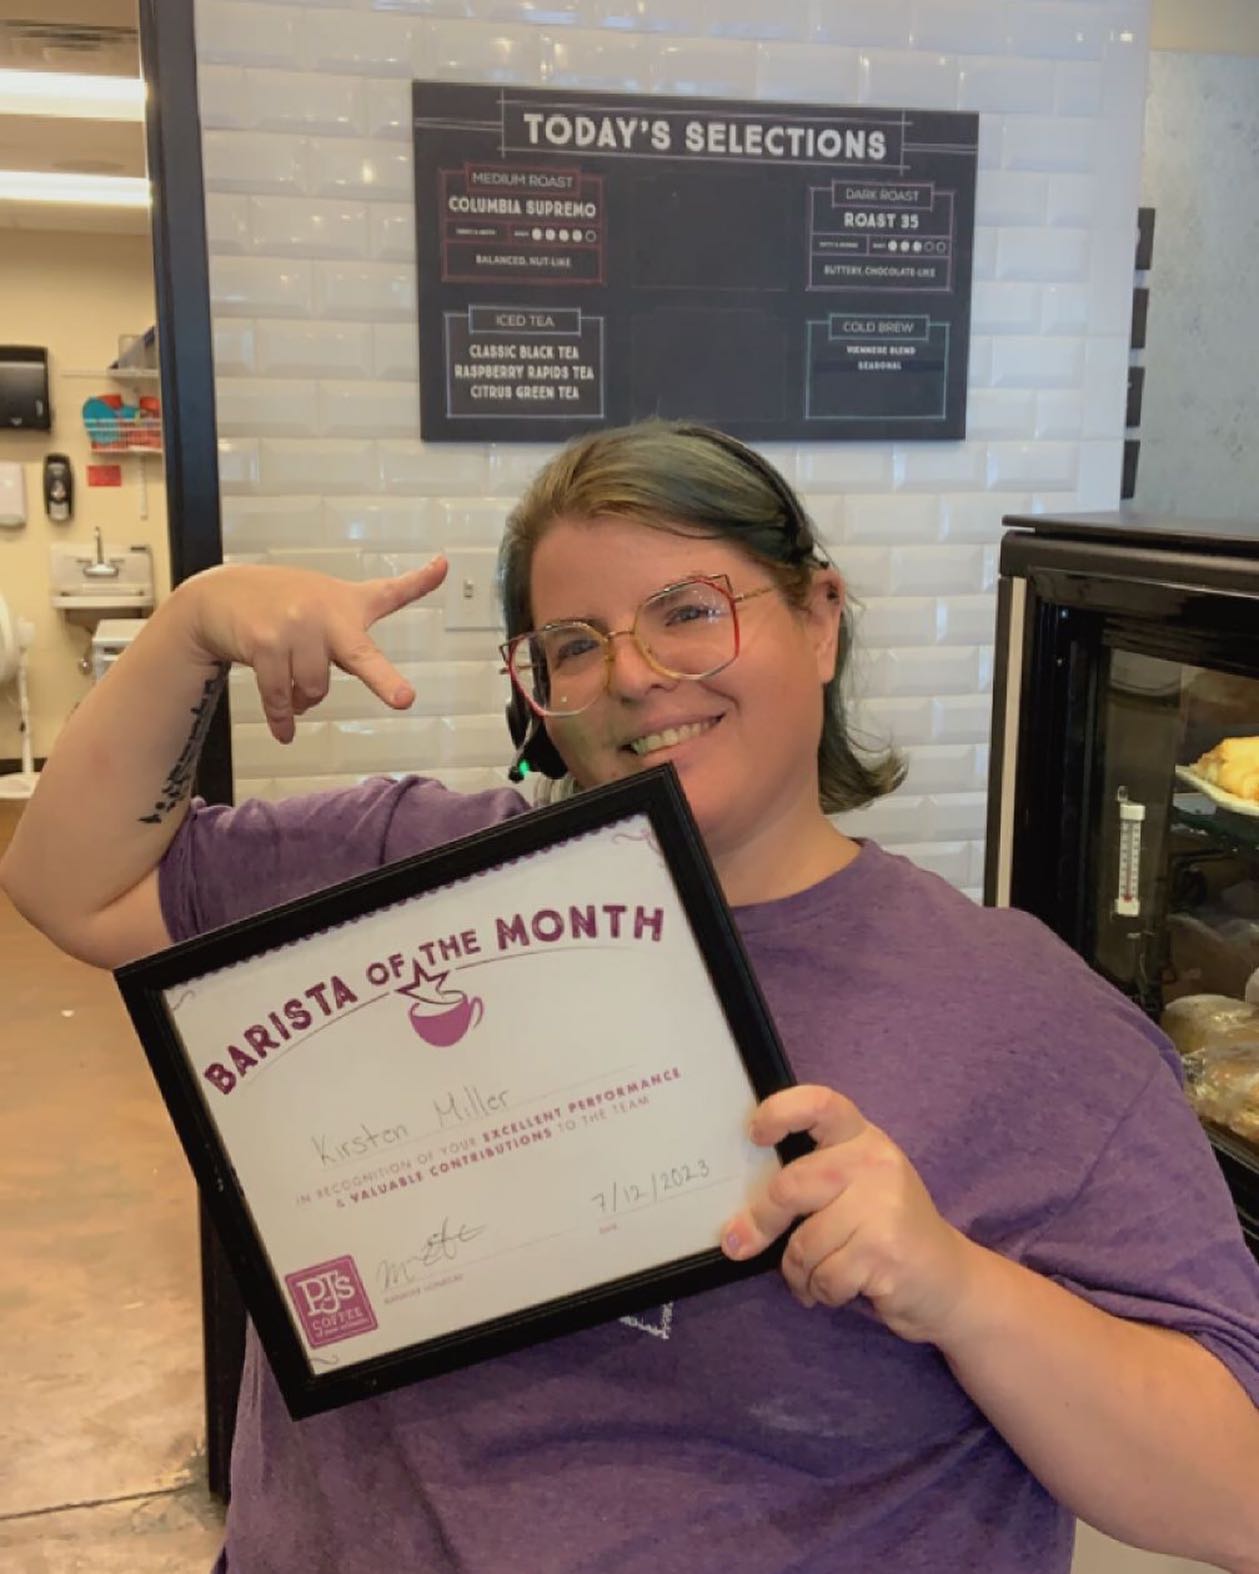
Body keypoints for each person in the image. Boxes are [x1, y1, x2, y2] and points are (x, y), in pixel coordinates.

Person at [4, 420, 1259, 1574]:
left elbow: (1232, 1491)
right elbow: (71, 885)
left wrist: (958, 1288)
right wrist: (192, 627)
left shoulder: (1024, 1017)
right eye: (573, 644)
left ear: (819, 618)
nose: (635, 675)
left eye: (688, 611)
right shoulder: (407, 876)